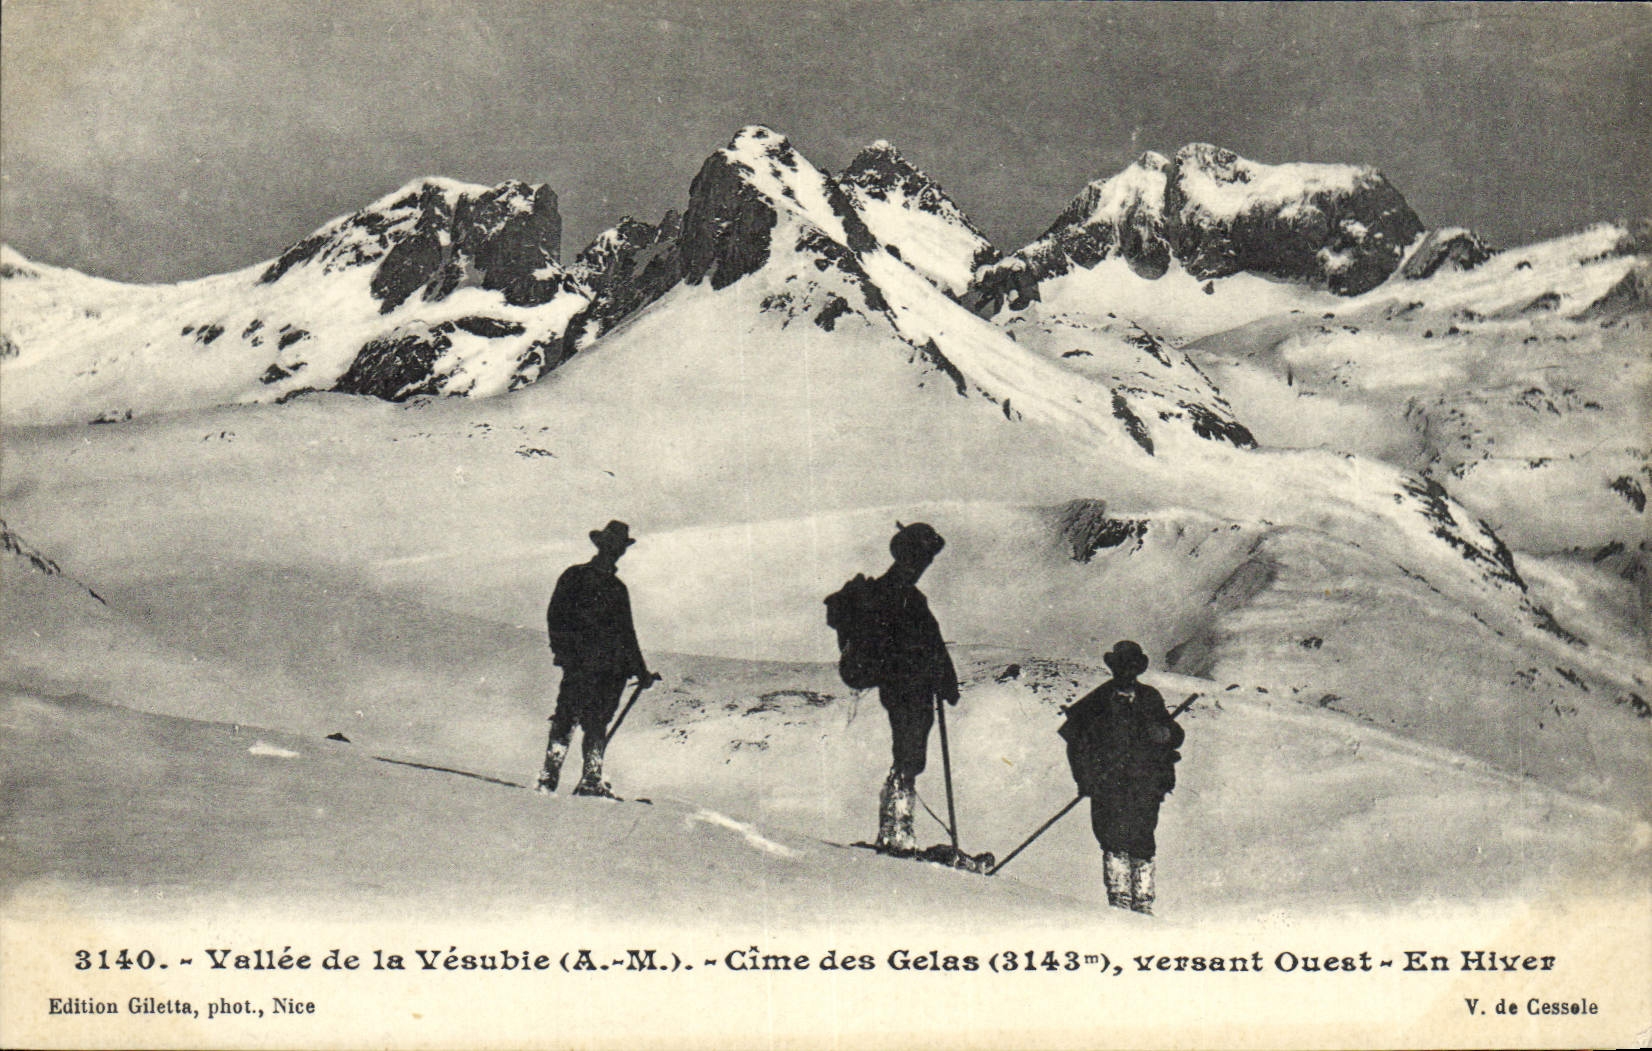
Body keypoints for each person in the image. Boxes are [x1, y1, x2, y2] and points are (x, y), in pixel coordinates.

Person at [1059, 640, 1183, 914]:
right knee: (1113, 838)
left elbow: (1175, 733)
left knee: (1143, 838)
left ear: (1138, 669)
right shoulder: (1098, 700)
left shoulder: (1150, 698)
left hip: (1145, 783)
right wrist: (1085, 779)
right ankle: (1119, 899)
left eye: (1132, 667)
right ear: (1113, 668)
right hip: (1108, 784)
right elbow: (1074, 741)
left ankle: (1143, 902)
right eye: (1121, 667)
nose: (1127, 672)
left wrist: (1165, 734)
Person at [538, 520, 655, 798]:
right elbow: (556, 617)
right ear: (602, 545)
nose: (616, 551)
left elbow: (627, 633)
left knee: (595, 722)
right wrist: (564, 652)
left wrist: (641, 671)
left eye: (619, 547)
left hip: (611, 669)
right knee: (568, 718)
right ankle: (549, 778)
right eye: (612, 545)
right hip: (582, 664)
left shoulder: (617, 588)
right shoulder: (575, 576)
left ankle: (590, 780)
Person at [868, 522, 960, 854]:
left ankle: (897, 827)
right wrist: (938, 675)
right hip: (905, 686)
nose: (924, 565)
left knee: (911, 753)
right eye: (922, 558)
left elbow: (931, 643)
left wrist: (944, 678)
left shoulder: (906, 594)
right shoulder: (895, 593)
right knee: (908, 754)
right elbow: (916, 644)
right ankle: (896, 830)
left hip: (913, 686)